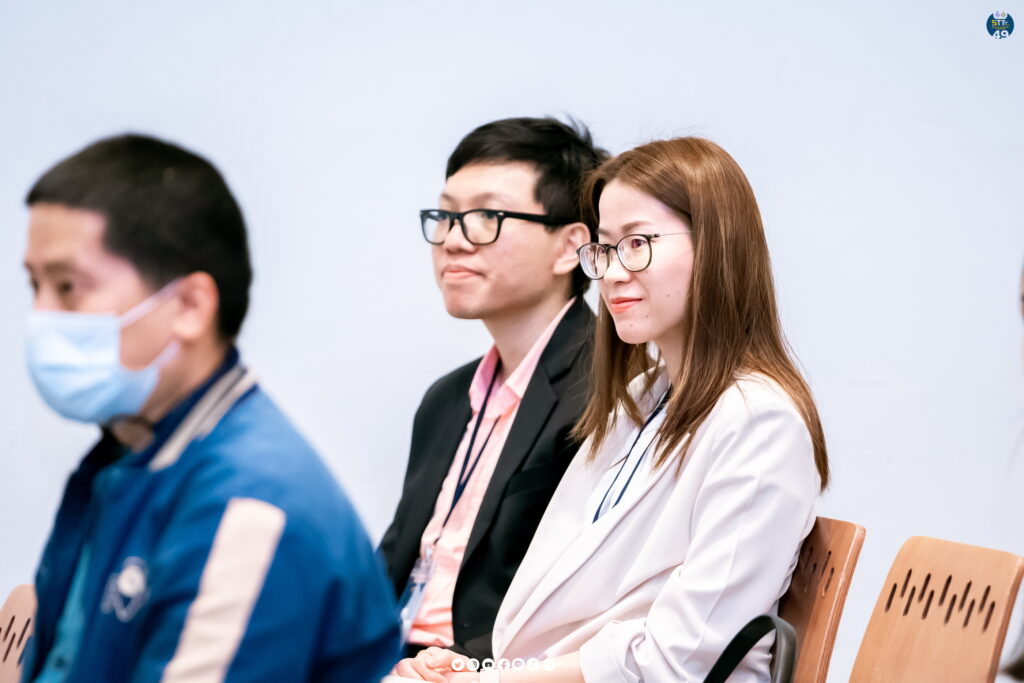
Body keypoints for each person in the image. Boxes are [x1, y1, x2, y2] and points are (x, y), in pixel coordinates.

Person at [395, 136, 830, 682]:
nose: (613, 272)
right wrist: (477, 667)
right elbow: (570, 615)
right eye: (605, 249)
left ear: (717, 246)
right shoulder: (642, 399)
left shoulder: (759, 422)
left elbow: (681, 656)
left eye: (638, 243)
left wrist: (492, 679)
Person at [20, 134, 401, 682]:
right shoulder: (126, 458)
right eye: (34, 285)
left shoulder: (249, 508)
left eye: (67, 286)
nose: (41, 317)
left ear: (190, 306)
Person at [380, 117, 606, 669]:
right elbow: (391, 565)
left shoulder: (608, 392)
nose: (453, 240)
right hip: (394, 657)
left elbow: (584, 609)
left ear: (570, 247)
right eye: (446, 215)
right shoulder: (446, 399)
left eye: (487, 217)